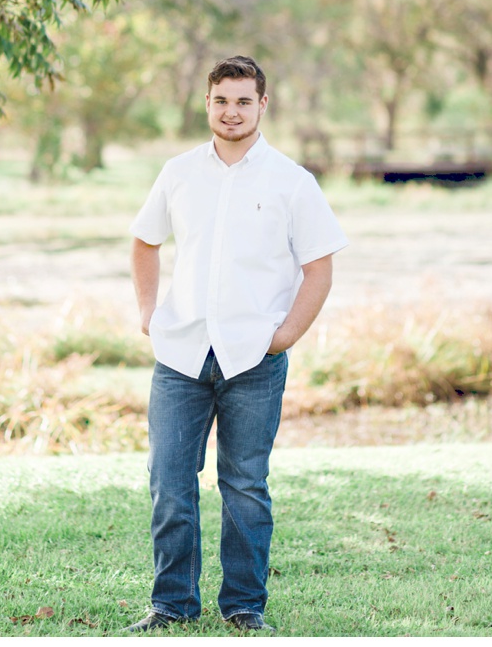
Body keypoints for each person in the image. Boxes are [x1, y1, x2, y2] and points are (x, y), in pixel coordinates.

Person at [125, 55, 347, 634]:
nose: (231, 112)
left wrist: (285, 335)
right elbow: (145, 242)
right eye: (221, 100)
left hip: (255, 357)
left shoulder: (293, 182)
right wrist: (148, 311)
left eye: (243, 101)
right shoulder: (178, 173)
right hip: (180, 355)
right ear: (207, 103)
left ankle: (245, 607)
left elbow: (319, 269)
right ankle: (171, 605)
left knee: (245, 486)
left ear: (263, 105)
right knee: (170, 484)